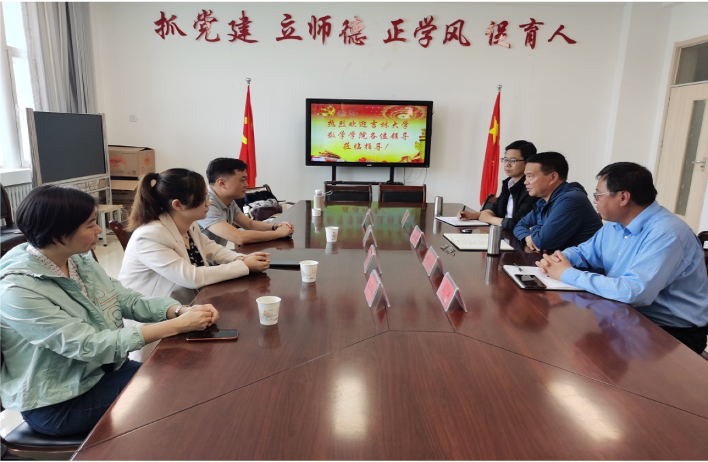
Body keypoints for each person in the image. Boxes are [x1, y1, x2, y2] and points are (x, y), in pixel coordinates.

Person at [0, 185, 219, 436]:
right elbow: (87, 345)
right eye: (90, 225)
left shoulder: (77, 260)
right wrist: (174, 326)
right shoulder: (17, 290)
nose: (98, 230)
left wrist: (178, 311)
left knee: (186, 375)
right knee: (175, 394)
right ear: (58, 234)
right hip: (59, 402)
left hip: (104, 373)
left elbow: (127, 300)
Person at [536, 162, 708, 354]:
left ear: (623, 197)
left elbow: (634, 292)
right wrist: (557, 260)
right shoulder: (614, 224)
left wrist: (566, 273)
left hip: (671, 332)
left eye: (598, 195)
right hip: (627, 316)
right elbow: (584, 253)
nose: (595, 201)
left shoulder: (666, 233)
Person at [120, 169, 270, 304]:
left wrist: (241, 258)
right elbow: (191, 277)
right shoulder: (149, 236)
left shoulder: (188, 224)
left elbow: (212, 249)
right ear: (178, 205)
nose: (209, 203)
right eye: (203, 198)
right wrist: (244, 266)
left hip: (188, 303)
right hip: (155, 316)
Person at [513, 152, 602, 251]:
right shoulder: (543, 201)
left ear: (553, 177)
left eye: (530, 176)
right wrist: (527, 237)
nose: (525, 182)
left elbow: (542, 242)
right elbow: (519, 226)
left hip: (579, 261)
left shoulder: (572, 200)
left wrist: (533, 228)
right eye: (526, 177)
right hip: (557, 258)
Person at [198, 158, 294, 247]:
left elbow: (249, 224)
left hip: (217, 257)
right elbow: (239, 237)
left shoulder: (228, 200)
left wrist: (275, 226)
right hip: (204, 260)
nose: (247, 185)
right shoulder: (206, 203)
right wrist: (278, 233)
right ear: (222, 183)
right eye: (242, 180)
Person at [457, 140, 539, 230]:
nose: (507, 164)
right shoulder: (508, 183)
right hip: (504, 231)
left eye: (513, 160)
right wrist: (473, 215)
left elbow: (520, 222)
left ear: (527, 162)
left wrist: (490, 219)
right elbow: (497, 209)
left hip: (519, 235)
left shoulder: (532, 187)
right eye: (505, 159)